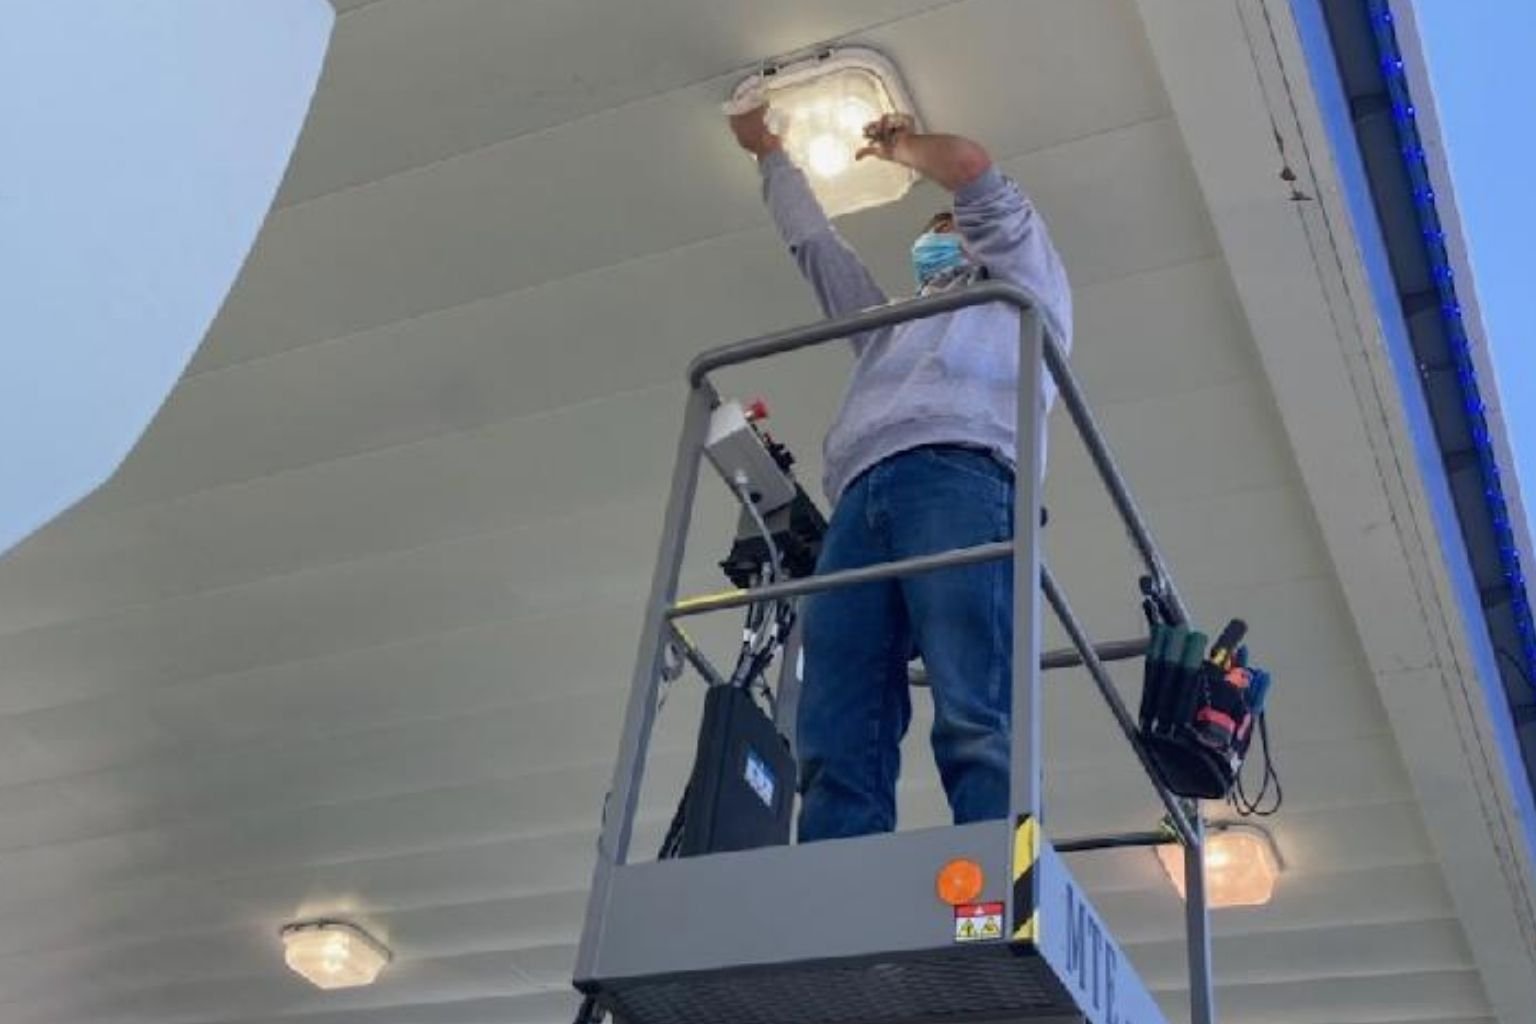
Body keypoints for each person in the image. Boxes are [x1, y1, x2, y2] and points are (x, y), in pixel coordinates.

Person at [727, 104, 1072, 842]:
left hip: (963, 473)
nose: (933, 240)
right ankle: (837, 882)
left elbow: (971, 169)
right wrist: (770, 156)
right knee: (836, 719)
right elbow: (818, 249)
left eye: (948, 227)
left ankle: (1000, 871)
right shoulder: (894, 333)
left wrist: (904, 148)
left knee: (975, 702)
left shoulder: (1022, 287)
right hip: (861, 495)